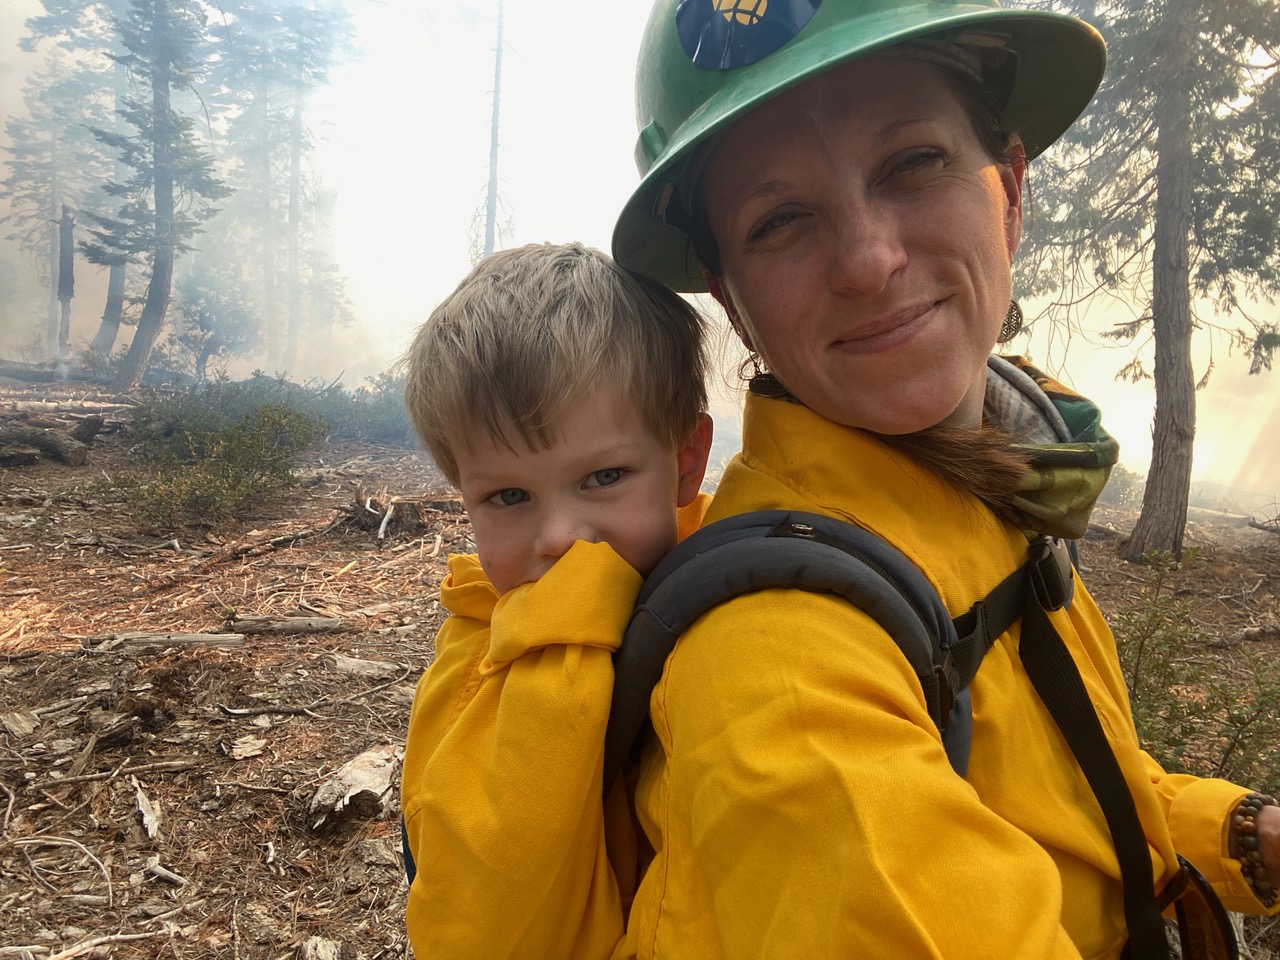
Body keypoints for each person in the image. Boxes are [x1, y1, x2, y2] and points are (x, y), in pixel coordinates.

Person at [598, 1, 1280, 957]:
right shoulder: (779, 668)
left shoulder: (991, 486)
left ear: (1009, 185)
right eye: (780, 219)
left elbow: (1055, 791)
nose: (871, 262)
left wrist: (1241, 835)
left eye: (911, 164)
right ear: (733, 302)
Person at [396, 242, 713, 959]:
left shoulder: (738, 590)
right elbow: (497, 928)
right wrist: (562, 638)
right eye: (508, 496)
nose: (561, 539)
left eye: (603, 476)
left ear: (686, 461)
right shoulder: (479, 665)